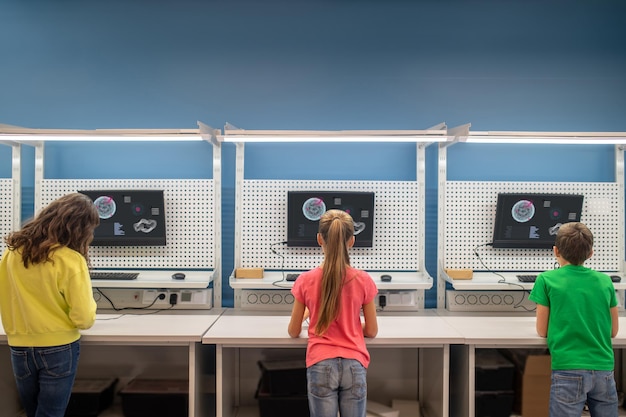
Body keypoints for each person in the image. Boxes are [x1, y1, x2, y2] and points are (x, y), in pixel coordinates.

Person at [0, 192, 100, 417]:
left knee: (33, 411)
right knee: (51, 413)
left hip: (19, 346)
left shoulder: (12, 253)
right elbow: (84, 319)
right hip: (59, 347)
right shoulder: (70, 260)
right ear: (79, 228)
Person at [288, 209, 378, 417]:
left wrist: (309, 313)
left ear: (319, 239)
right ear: (352, 241)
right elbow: (371, 331)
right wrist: (352, 325)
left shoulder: (305, 280)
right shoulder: (363, 280)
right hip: (354, 365)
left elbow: (293, 331)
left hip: (321, 363)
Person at [529, 221, 619, 417]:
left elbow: (542, 330)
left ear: (556, 251)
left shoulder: (546, 280)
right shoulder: (605, 281)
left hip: (567, 368)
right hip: (603, 369)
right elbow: (613, 331)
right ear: (590, 253)